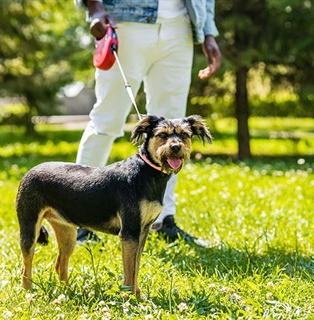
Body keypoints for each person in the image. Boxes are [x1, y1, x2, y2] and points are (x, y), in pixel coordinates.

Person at [75, 0, 221, 243]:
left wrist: (207, 30)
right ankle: (81, 220)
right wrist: (94, 7)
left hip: (181, 26)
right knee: (107, 120)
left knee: (174, 130)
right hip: (126, 22)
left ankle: (163, 220)